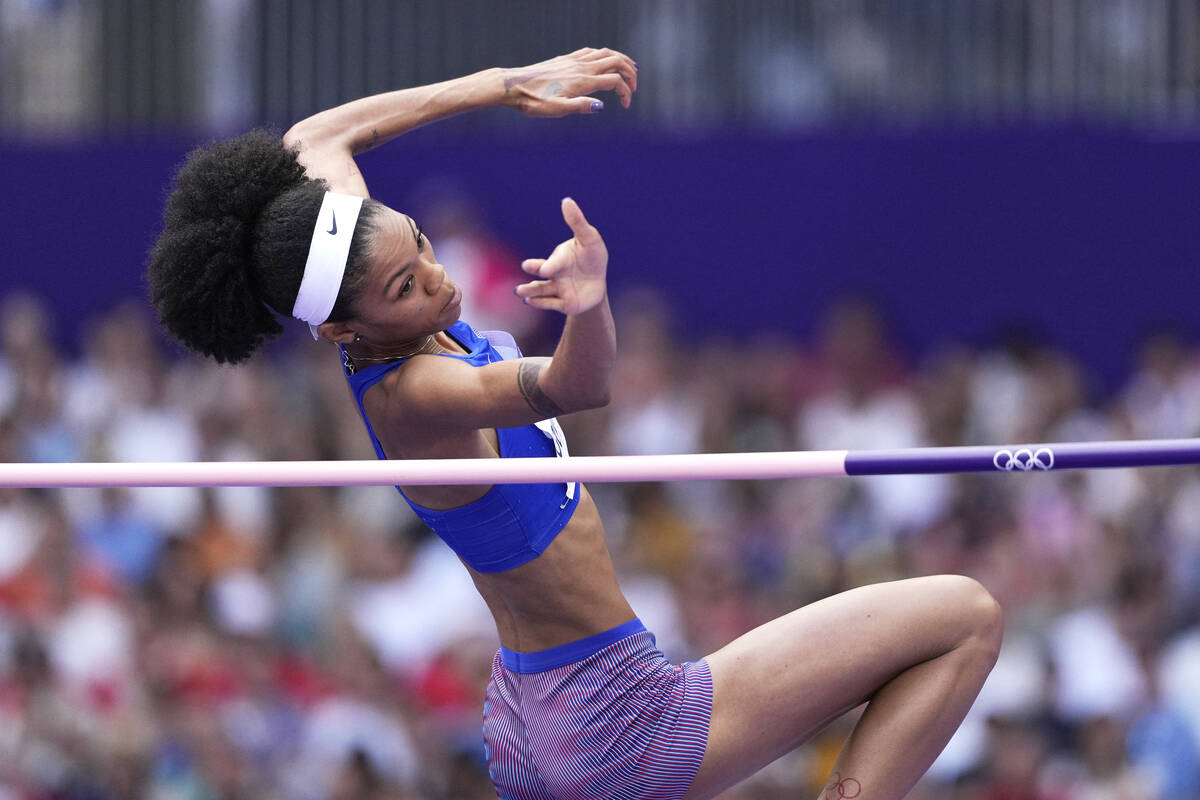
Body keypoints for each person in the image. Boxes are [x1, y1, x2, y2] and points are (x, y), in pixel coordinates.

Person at [148, 47, 1003, 800]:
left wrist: (500, 84)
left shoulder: (353, 276)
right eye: (405, 290)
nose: (439, 285)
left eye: (422, 249)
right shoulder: (415, 394)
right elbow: (576, 385)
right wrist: (589, 308)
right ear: (341, 329)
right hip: (611, 720)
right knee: (965, 617)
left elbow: (312, 139)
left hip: (532, 713)